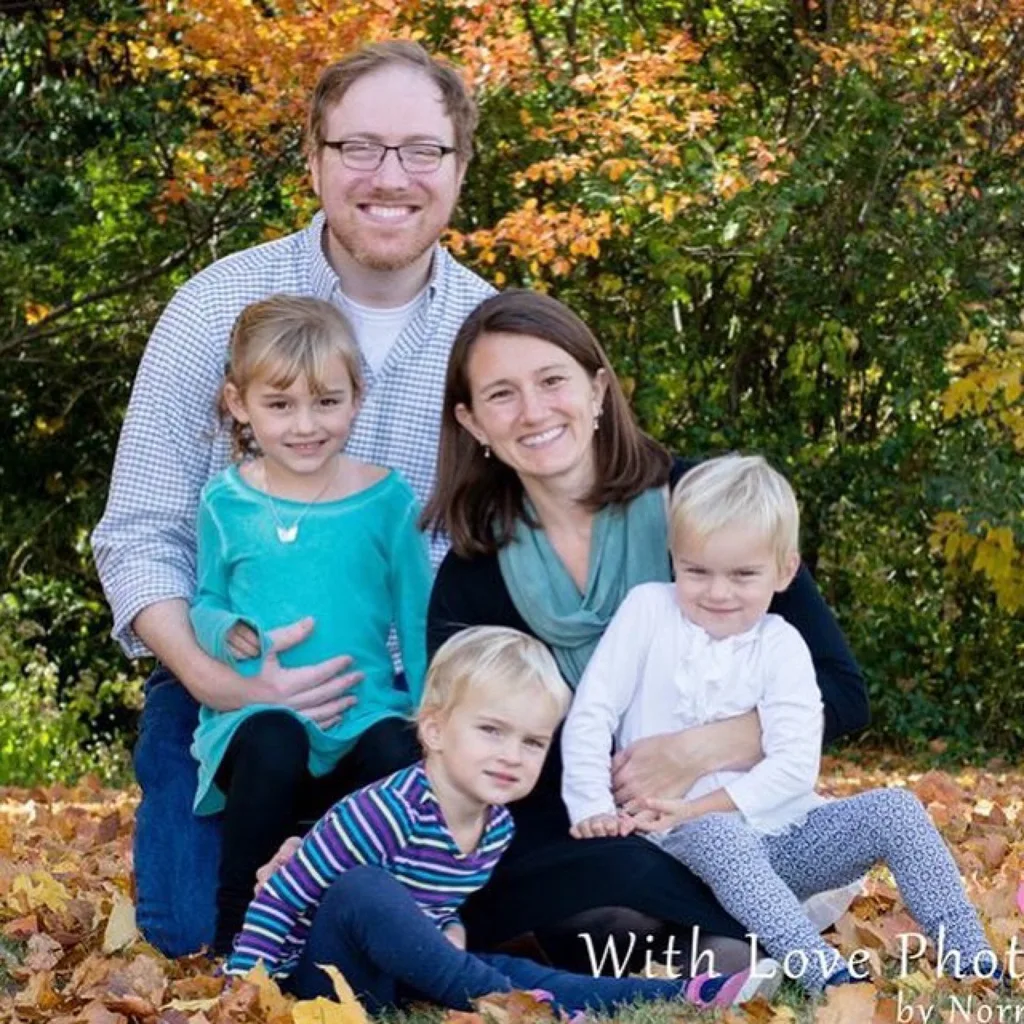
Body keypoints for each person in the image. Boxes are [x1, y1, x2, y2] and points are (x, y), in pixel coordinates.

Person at [91, 40, 494, 956]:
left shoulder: (491, 334)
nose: (390, 176)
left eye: (422, 150)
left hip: (402, 704)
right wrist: (221, 677)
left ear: (459, 168)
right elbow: (139, 534)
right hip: (227, 683)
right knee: (191, 929)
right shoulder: (214, 307)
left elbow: (529, 540)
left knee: (382, 928)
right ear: (313, 159)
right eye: (359, 146)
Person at [423, 289, 871, 971]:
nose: (535, 411)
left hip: (718, 806)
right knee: (597, 895)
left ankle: (723, 933)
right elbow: (461, 749)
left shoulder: (705, 506)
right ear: (474, 422)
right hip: (567, 824)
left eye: (552, 382)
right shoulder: (472, 573)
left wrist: (697, 748)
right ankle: (722, 939)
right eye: (502, 395)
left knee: (686, 866)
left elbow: (841, 691)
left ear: (598, 389)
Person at [561, 454, 999, 992]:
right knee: (718, 835)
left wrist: (697, 803)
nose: (718, 593)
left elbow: (795, 764)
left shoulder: (783, 645)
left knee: (897, 807)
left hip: (782, 843)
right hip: (672, 847)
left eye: (743, 574)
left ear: (785, 570)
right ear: (673, 556)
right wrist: (592, 807)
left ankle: (971, 958)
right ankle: (824, 974)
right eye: (697, 571)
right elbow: (592, 710)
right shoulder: (648, 611)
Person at [224, 625, 782, 1012]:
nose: (512, 754)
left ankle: (684, 994)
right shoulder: (383, 812)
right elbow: (281, 897)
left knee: (523, 971)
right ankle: (501, 1001)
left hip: (393, 981)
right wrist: (244, 987)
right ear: (435, 730)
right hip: (318, 979)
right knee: (363, 890)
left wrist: (449, 929)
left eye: (533, 742)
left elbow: (434, 904)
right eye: (491, 730)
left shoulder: (496, 829)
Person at [190, 295, 431, 952]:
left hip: (361, 712)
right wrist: (225, 632)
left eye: (327, 402)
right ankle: (238, 934)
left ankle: (384, 930)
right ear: (239, 404)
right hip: (256, 717)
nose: (305, 425)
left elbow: (418, 618)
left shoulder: (388, 498)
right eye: (280, 404)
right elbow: (205, 599)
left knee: (396, 752)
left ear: (358, 398)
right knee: (274, 740)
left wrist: (433, 711)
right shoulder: (226, 500)